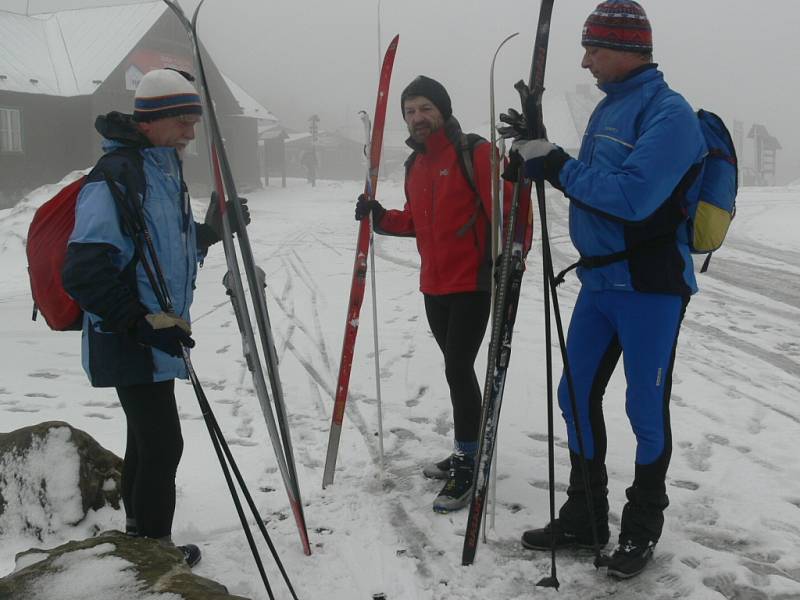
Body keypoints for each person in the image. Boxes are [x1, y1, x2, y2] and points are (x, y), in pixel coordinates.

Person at [506, 0, 706, 579]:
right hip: (599, 282)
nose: (587, 59)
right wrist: (539, 149)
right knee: (575, 397)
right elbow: (593, 185)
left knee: (644, 408)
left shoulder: (670, 114)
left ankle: (640, 530)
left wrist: (557, 164)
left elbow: (633, 197)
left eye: (595, 47)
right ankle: (586, 517)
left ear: (627, 49)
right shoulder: (609, 109)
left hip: (649, 288)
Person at [62, 68, 249, 567]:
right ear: (152, 121)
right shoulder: (116, 177)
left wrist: (211, 230)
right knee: (164, 443)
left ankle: (139, 542)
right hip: (129, 337)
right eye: (184, 121)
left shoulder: (161, 172)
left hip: (155, 334)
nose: (191, 132)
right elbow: (84, 271)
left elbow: (163, 246)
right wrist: (140, 323)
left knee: (146, 442)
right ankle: (154, 556)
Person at [355, 76, 528, 513]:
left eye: (425, 109)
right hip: (434, 284)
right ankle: (465, 447)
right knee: (458, 370)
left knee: (456, 368)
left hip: (472, 282)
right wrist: (380, 217)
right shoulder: (416, 166)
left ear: (443, 111)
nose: (418, 118)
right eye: (410, 111)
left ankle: (469, 462)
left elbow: (509, 214)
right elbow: (417, 220)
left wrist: (514, 256)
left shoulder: (476, 153)